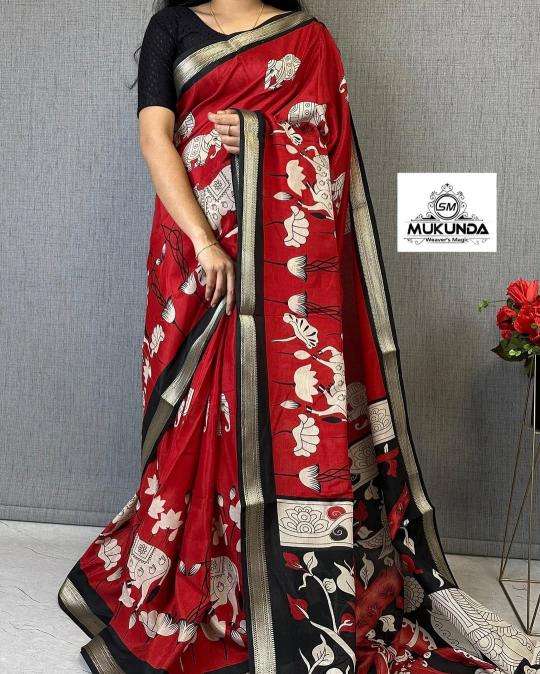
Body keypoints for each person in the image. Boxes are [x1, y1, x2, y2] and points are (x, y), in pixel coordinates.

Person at [58, 2, 540, 673]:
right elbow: (155, 138)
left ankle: (270, 589)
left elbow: (330, 152)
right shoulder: (173, 25)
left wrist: (263, 139)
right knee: (195, 420)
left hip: (283, 273)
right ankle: (199, 576)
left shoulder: (309, 40)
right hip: (194, 259)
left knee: (266, 415)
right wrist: (205, 242)